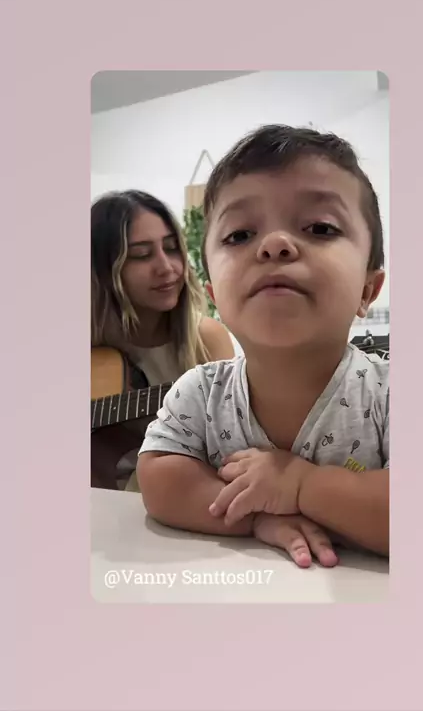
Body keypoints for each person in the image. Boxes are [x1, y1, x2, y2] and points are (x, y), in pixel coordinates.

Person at [136, 126, 389, 568]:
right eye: (240, 235)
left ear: (368, 289)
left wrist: (299, 485)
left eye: (320, 228)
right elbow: (159, 475)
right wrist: (254, 517)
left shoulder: (388, 393)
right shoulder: (200, 392)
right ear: (214, 298)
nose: (274, 245)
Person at [91, 190, 234, 489]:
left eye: (171, 249)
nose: (167, 267)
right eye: (142, 255)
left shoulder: (205, 339)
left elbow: (230, 444)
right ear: (102, 270)